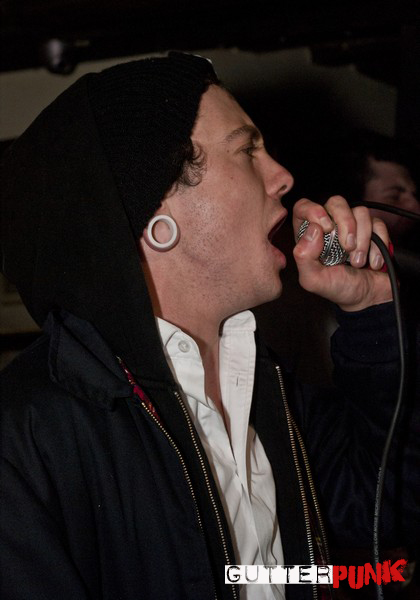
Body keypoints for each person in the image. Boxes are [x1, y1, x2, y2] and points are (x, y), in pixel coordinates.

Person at [0, 52, 415, 600]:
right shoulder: (31, 433)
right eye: (247, 150)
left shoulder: (270, 388)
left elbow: (389, 507)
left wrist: (373, 316)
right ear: (157, 212)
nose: (283, 177)